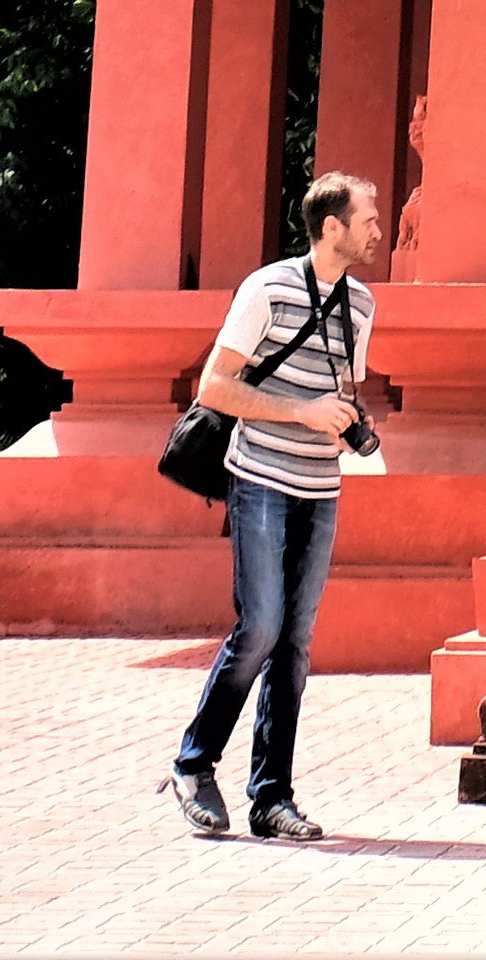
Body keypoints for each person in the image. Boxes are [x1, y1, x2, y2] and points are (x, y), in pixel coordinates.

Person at [172, 167, 384, 842]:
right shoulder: (265, 289)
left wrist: (351, 425)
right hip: (260, 476)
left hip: (321, 487)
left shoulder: (363, 307)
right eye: (369, 217)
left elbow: (343, 391)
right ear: (333, 228)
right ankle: (193, 764)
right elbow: (214, 387)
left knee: (295, 643)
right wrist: (302, 412)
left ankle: (272, 798)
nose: (379, 227)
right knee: (260, 627)